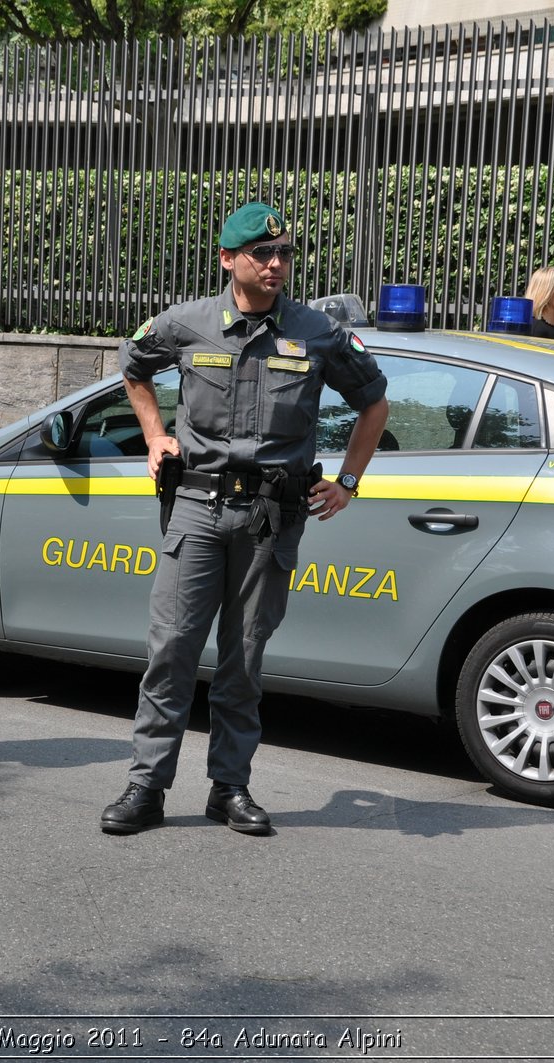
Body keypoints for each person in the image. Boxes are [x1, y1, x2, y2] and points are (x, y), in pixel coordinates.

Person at [101, 202, 390, 836]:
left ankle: (229, 788)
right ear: (229, 259)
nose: (277, 264)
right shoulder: (186, 324)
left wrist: (348, 482)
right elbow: (133, 367)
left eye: (285, 253)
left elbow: (374, 401)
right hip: (197, 510)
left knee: (244, 657)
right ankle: (146, 786)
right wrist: (154, 436)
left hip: (270, 517)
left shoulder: (316, 332)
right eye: (263, 254)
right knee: (172, 650)